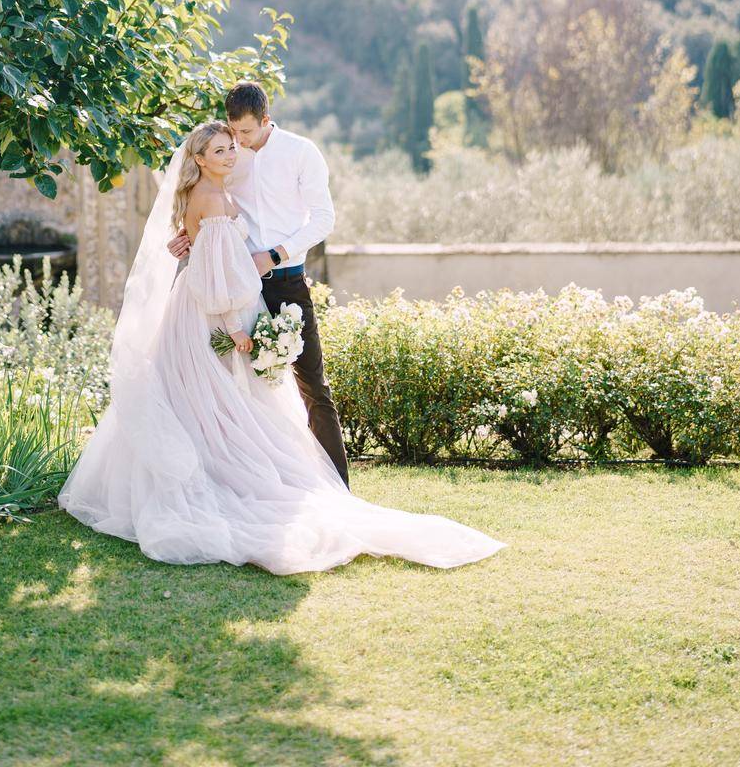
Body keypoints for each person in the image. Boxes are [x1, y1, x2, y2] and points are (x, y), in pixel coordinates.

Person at [57, 116, 507, 575]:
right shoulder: (212, 196)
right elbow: (215, 275)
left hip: (215, 303)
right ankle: (223, 483)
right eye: (220, 150)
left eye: (232, 145)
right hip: (210, 315)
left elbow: (211, 252)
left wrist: (195, 244)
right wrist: (234, 326)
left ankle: (240, 477)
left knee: (217, 403)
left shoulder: (225, 187)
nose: (232, 154)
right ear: (198, 159)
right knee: (213, 402)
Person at [167, 81, 349, 484]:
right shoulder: (228, 158)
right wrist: (188, 238)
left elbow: (323, 219)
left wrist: (276, 254)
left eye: (246, 133)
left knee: (312, 386)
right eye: (233, 133)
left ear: (266, 120)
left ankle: (338, 487)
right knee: (238, 391)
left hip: (285, 283)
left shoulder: (302, 153)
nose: (238, 142)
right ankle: (245, 483)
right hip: (234, 289)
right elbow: (209, 213)